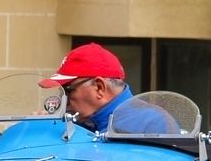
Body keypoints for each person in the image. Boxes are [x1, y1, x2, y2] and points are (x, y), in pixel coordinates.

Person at [38, 42, 179, 135]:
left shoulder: (152, 123)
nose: (64, 101)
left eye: (68, 91)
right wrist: (45, 131)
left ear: (99, 87)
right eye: (61, 93)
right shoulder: (76, 123)